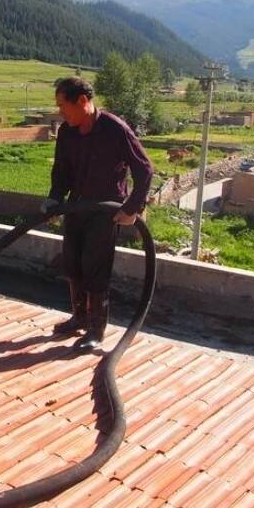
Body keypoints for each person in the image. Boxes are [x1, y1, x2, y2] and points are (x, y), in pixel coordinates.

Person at [41, 77, 154, 350]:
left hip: (106, 212)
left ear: (82, 101)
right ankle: (78, 318)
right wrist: (54, 199)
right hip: (76, 206)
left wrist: (132, 208)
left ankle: (96, 330)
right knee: (73, 263)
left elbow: (144, 170)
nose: (60, 112)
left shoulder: (115, 129)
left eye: (62, 106)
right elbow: (62, 172)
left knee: (95, 266)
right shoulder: (67, 132)